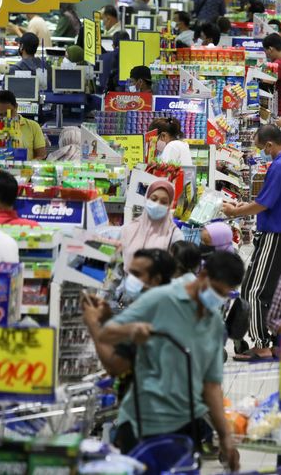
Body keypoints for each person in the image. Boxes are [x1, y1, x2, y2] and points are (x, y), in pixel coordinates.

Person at [97, 250, 244, 473]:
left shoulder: (213, 323)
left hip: (186, 426)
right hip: (143, 420)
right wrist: (132, 329)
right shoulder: (161, 298)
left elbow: (211, 385)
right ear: (202, 274)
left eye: (223, 294)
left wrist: (225, 436)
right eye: (214, 289)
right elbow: (107, 333)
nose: (216, 297)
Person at [221, 125, 281, 360]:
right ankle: (277, 341)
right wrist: (243, 207)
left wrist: (234, 212)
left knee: (254, 290)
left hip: (277, 235)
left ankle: (261, 344)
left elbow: (264, 204)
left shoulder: (280, 166)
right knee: (275, 290)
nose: (261, 152)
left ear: (269, 144)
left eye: (261, 148)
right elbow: (272, 199)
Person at [81, 248, 176, 376]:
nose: (130, 279)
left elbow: (115, 366)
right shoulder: (170, 303)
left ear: (156, 279)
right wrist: (106, 319)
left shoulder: (150, 312)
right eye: (130, 273)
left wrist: (93, 324)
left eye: (137, 274)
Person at [118, 180, 185, 271]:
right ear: (146, 199)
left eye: (164, 202)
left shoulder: (174, 235)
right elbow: (117, 263)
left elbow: (177, 270)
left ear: (169, 205)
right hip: (129, 283)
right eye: (153, 199)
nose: (157, 204)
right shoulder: (128, 229)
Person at [0, 91, 48, 161]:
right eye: (0, 115)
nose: (6, 118)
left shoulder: (33, 127)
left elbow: (41, 155)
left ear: (16, 106)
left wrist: (26, 166)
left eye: (9, 113)